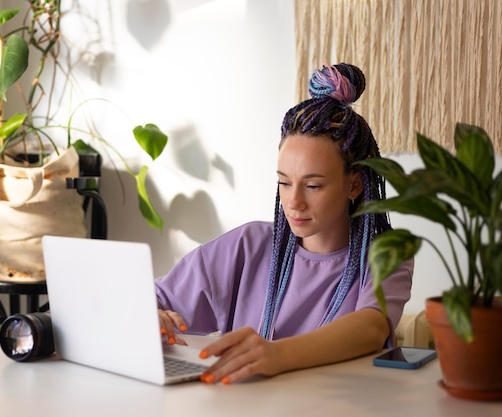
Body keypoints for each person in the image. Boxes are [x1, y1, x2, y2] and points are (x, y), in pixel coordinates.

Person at [155, 63, 413, 384]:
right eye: (284, 182)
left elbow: (372, 327)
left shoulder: (386, 253)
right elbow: (156, 297)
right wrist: (154, 315)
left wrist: (277, 354)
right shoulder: (248, 245)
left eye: (313, 185)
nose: (294, 202)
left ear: (354, 185)